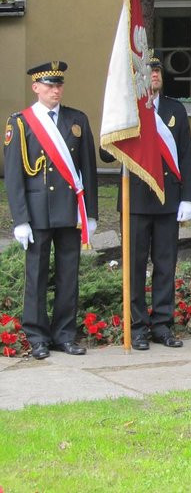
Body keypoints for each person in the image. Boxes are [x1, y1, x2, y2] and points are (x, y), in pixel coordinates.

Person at [99, 52, 191, 350]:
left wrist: (188, 198)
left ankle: (163, 325)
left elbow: (185, 156)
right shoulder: (128, 110)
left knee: (166, 264)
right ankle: (138, 326)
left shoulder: (175, 110)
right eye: (148, 71)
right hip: (136, 202)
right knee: (136, 266)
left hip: (168, 200)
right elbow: (105, 154)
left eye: (157, 71)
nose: (154, 74)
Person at [4, 61, 98, 359]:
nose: (55, 90)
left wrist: (90, 213)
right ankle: (37, 336)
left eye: (58, 85)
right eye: (48, 85)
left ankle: (64, 335)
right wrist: (20, 219)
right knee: (37, 276)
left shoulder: (77, 119)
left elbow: (89, 170)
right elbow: (15, 175)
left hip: (69, 210)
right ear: (36, 88)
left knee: (69, 275)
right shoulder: (20, 123)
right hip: (37, 212)